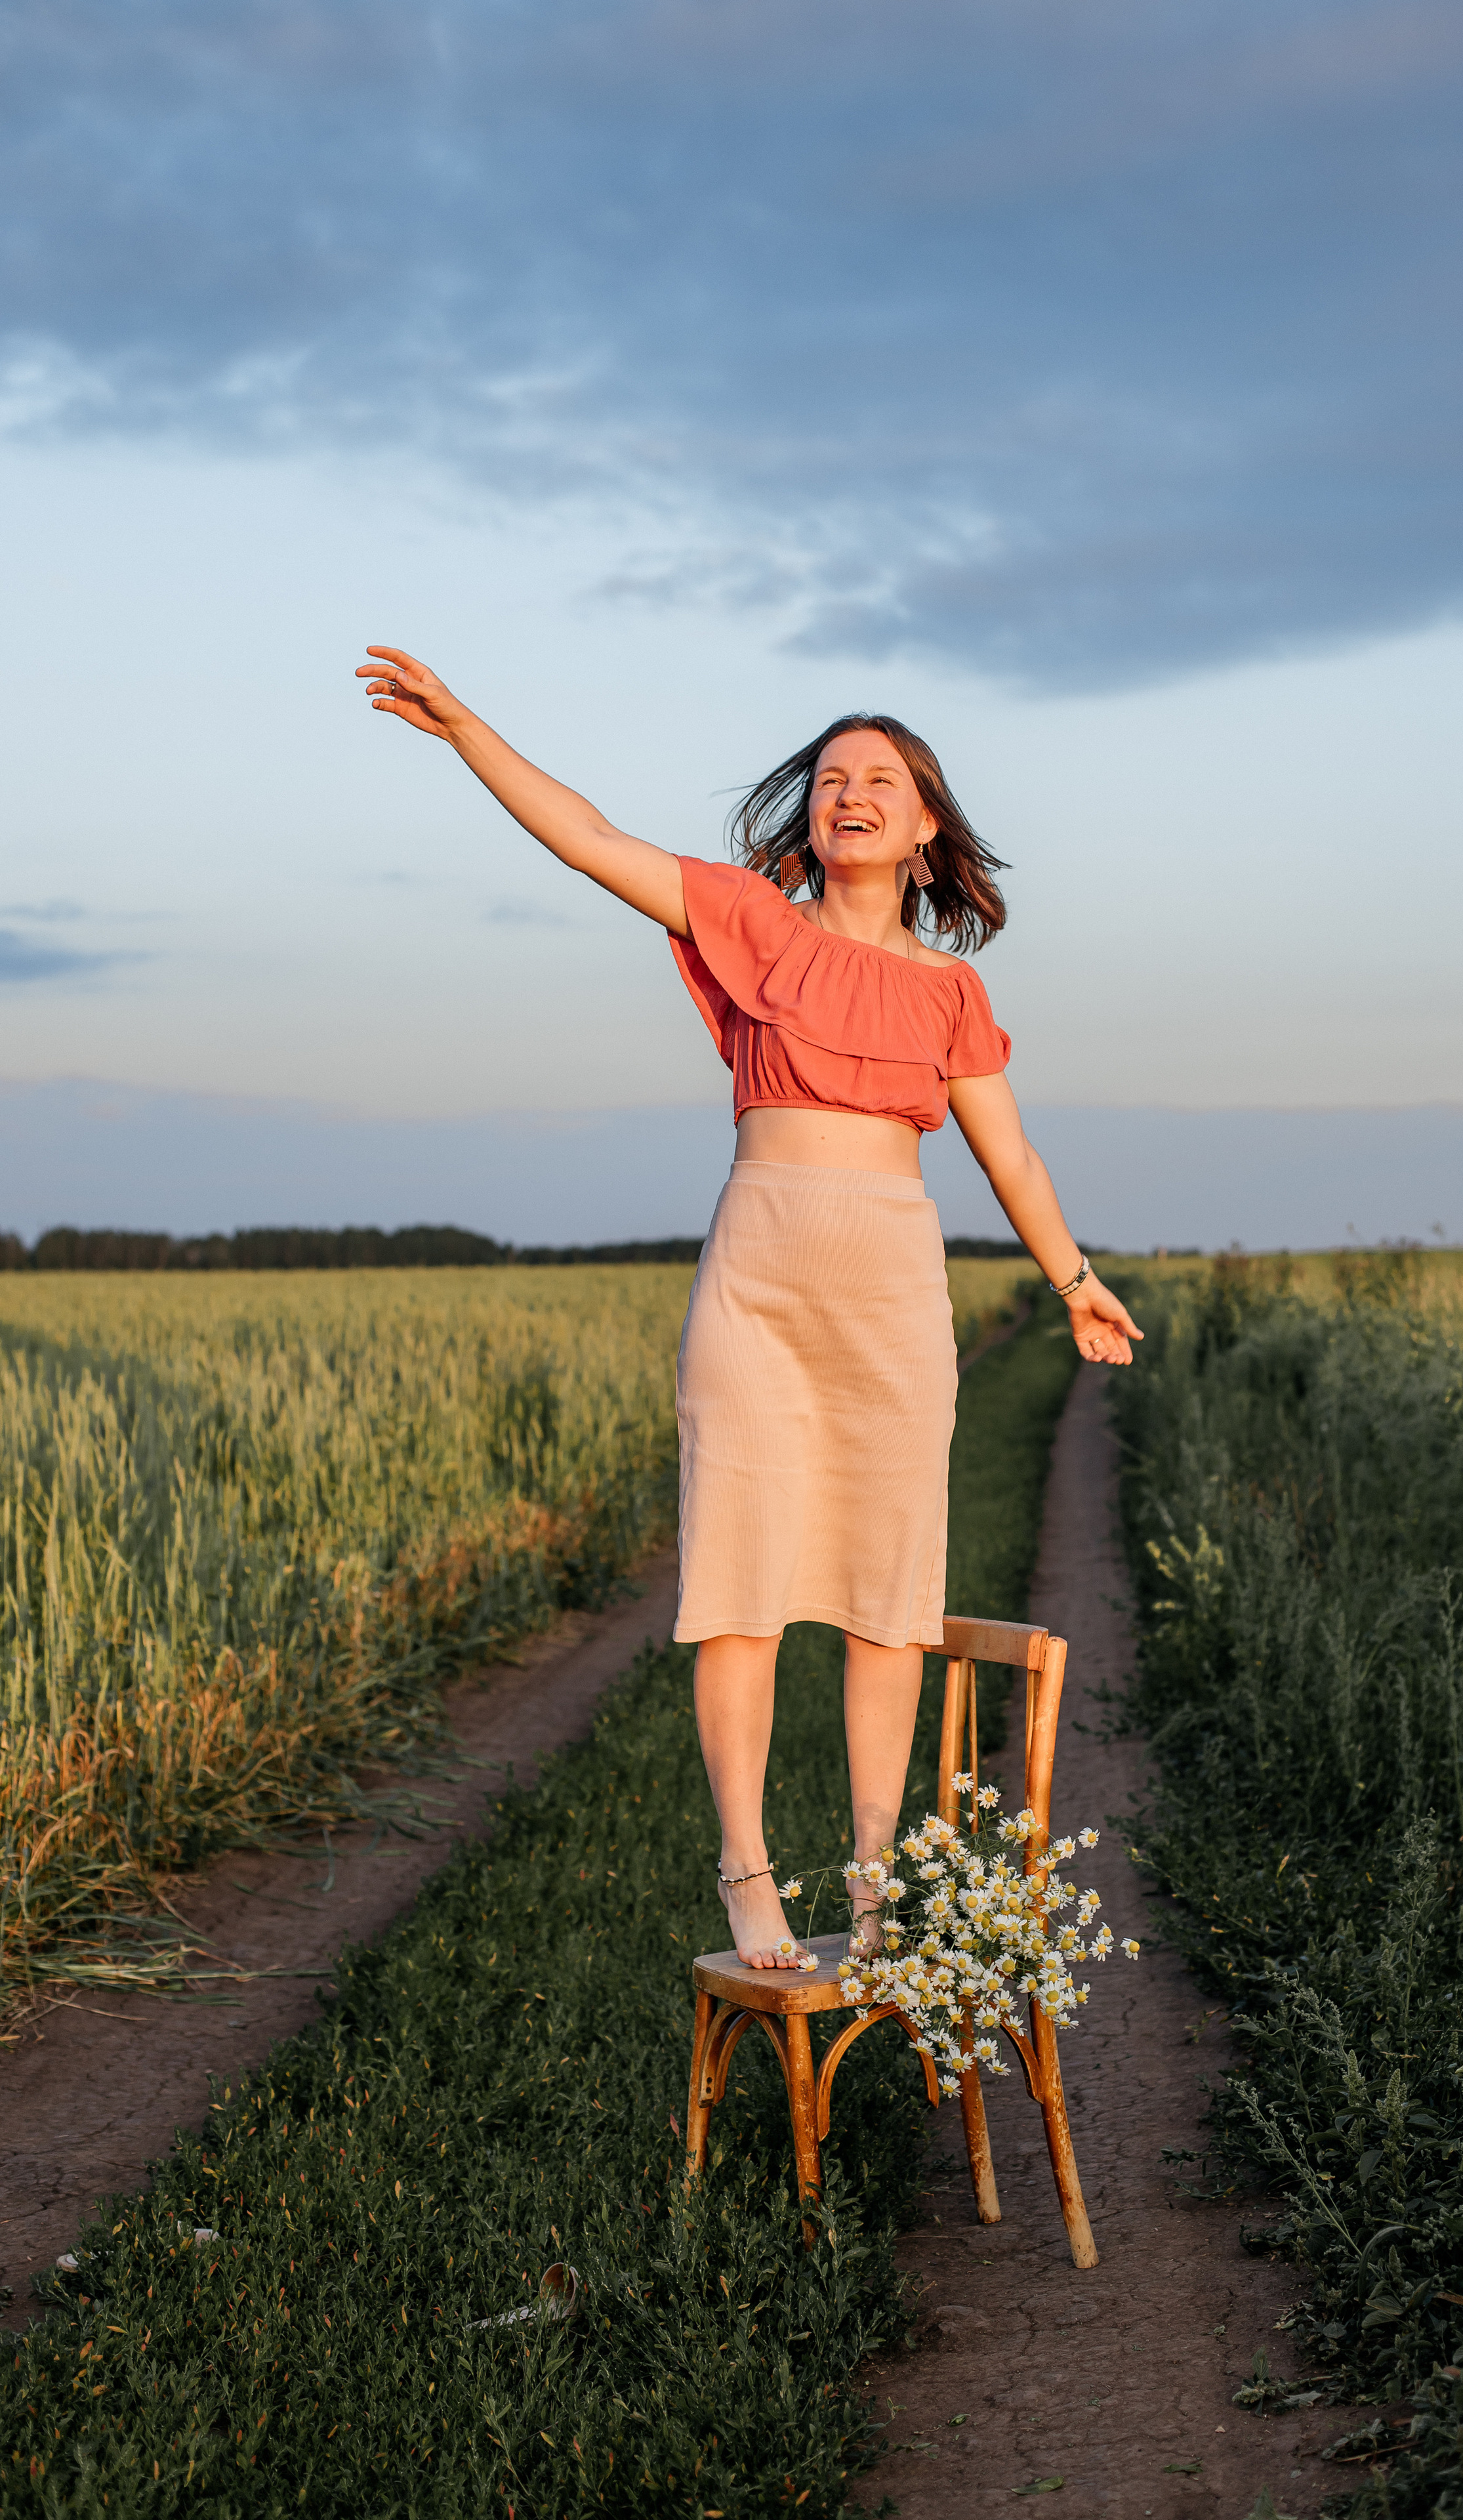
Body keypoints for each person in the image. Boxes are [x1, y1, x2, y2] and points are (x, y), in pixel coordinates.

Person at [356, 646, 1143, 1970]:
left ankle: (878, 1881)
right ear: (811, 812)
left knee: (888, 1592)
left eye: (878, 780)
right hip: (757, 1277)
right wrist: (465, 730)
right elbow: (587, 838)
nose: (849, 793)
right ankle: (745, 1872)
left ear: (922, 825)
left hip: (892, 1286)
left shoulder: (950, 992)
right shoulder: (746, 920)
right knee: (740, 1586)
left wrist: (1071, 1281)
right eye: (831, 776)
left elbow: (1010, 1156)